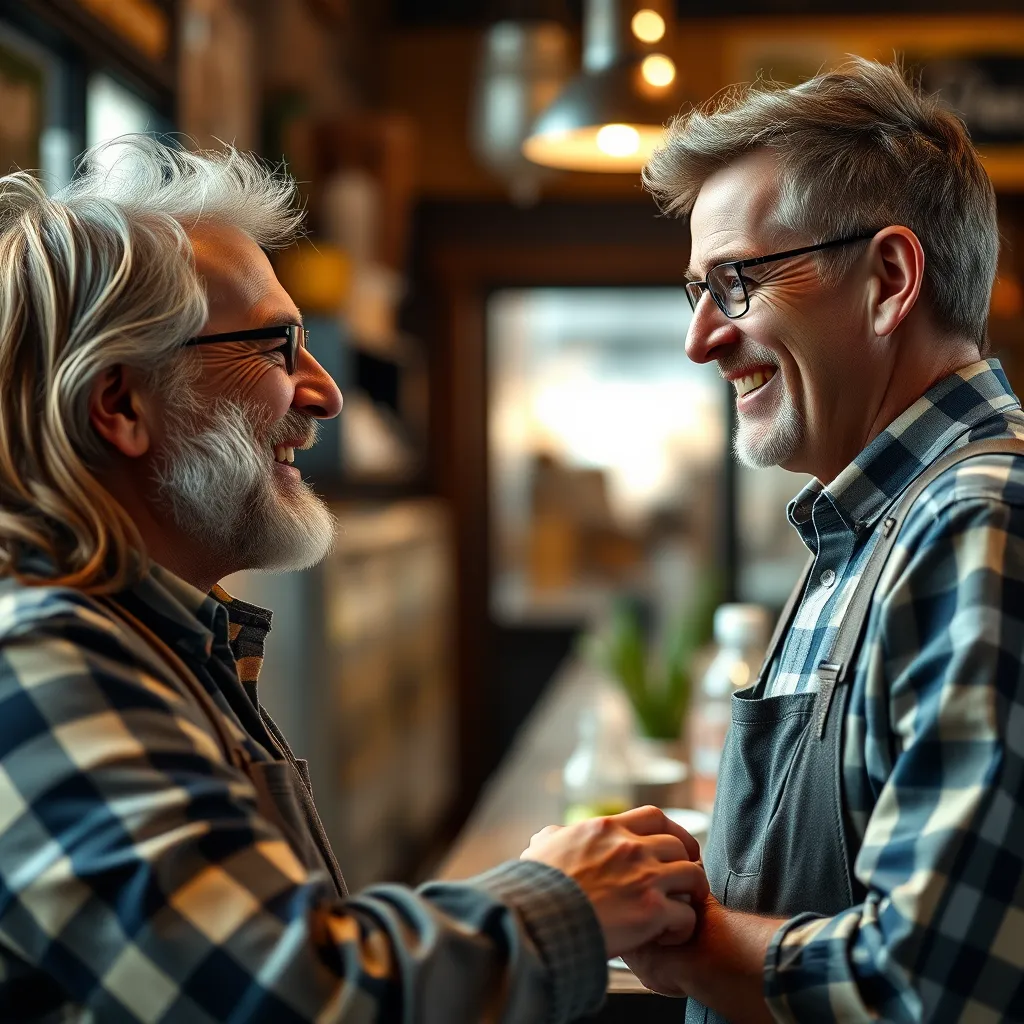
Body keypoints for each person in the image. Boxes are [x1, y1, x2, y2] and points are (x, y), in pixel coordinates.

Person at [0, 136, 708, 1022]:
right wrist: (557, 895)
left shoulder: (156, 637)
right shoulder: (38, 664)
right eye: (275, 345)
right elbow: (293, 999)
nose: (327, 391)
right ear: (120, 405)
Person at [622, 58, 1024, 1022]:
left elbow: (925, 984)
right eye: (697, 292)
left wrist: (671, 931)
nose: (702, 339)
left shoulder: (977, 522)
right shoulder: (876, 519)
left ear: (889, 279)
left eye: (736, 282)